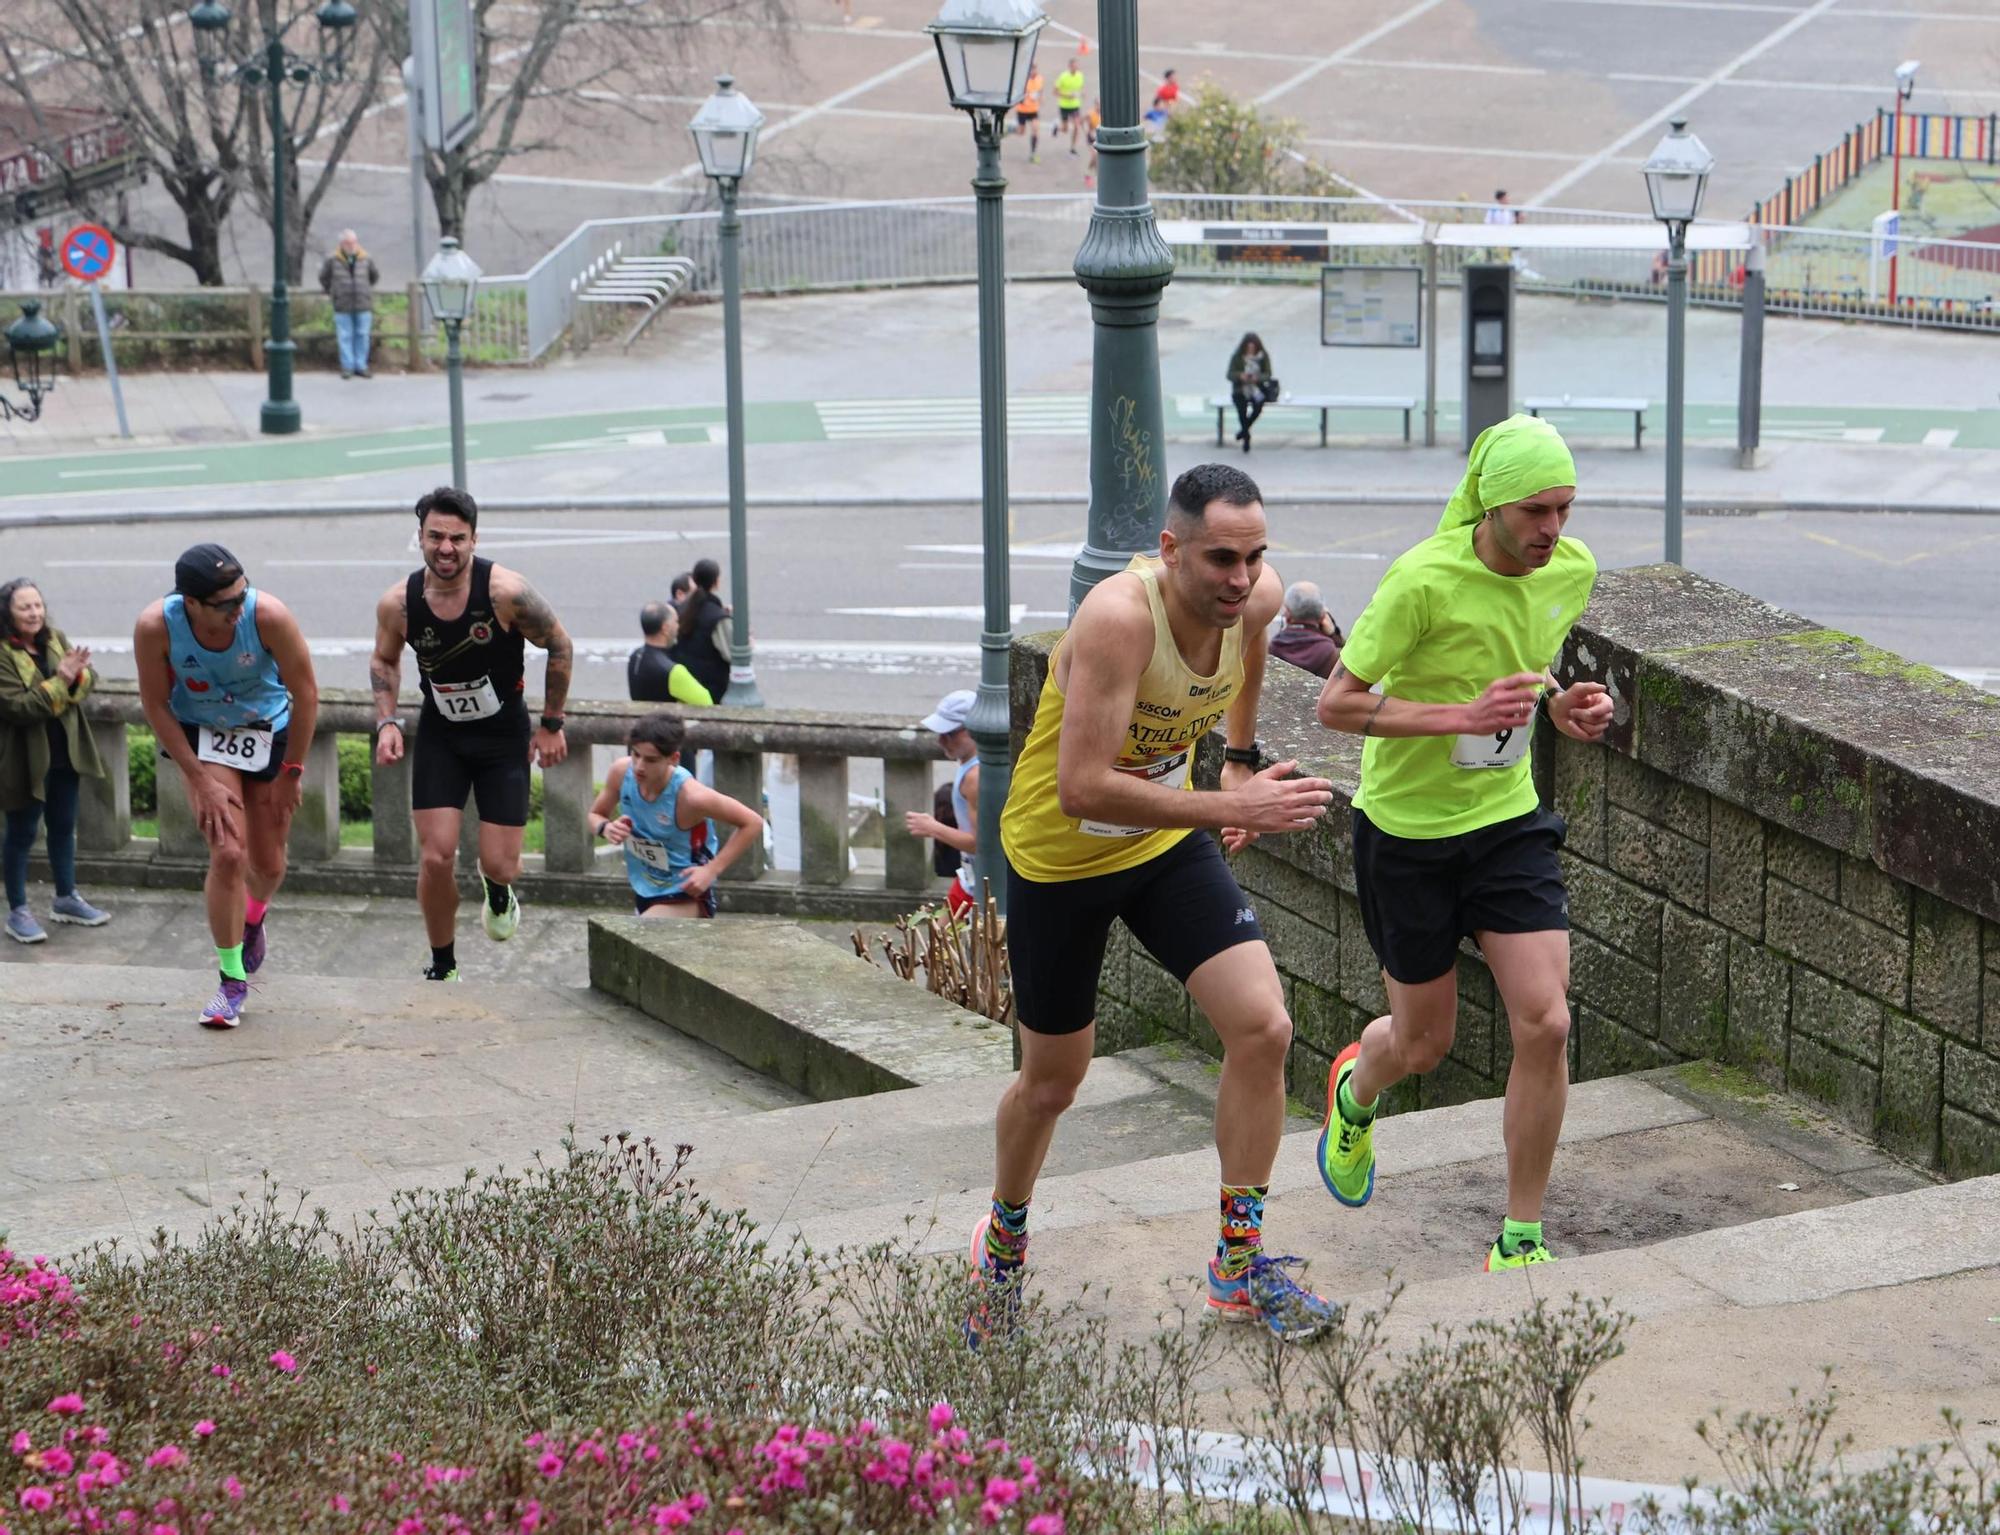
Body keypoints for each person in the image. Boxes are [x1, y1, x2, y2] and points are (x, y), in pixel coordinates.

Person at [980, 462, 1342, 1346]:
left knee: (1264, 1027)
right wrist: (1231, 806)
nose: (1242, 577)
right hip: (1060, 859)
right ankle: (1003, 1250)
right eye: (1221, 556)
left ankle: (1240, 1262)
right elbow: (1081, 787)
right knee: (1053, 1081)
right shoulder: (1116, 618)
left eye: (1255, 556)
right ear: (1170, 549)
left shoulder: (1251, 605)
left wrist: (1242, 756)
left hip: (1162, 842)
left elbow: (1248, 664)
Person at [1314, 415, 1614, 1272]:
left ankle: (1521, 1235)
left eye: (1564, 507)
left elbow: (1524, 654)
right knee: (1423, 1045)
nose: (1552, 529)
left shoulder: (1572, 571)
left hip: (1505, 823)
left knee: (1547, 1021)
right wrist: (1460, 717)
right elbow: (1337, 702)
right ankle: (1355, 1089)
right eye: (1534, 510)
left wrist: (1559, 705)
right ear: (1490, 504)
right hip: (1406, 833)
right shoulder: (1422, 580)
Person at [370, 486, 574, 981]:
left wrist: (550, 724)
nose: (446, 548)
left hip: (502, 736)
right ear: (419, 537)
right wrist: (386, 720)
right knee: (436, 856)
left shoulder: (506, 593)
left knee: (500, 864)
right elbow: (384, 659)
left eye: (457, 539)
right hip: (444, 735)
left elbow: (560, 645)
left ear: (474, 539)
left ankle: (498, 888)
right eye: (435, 536)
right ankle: (444, 964)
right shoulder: (399, 603)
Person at [134, 545, 319, 1028]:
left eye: (242, 595)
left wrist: (292, 772)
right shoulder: (157, 627)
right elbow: (155, 704)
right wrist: (197, 778)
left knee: (269, 863)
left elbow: (307, 693)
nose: (240, 609)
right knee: (229, 853)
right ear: (191, 603)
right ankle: (231, 981)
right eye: (226, 604)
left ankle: (253, 918)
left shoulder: (268, 616)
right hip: (205, 736)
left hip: (268, 730)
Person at [0, 579, 109, 944]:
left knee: (63, 826)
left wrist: (78, 674)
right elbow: (19, 707)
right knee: (22, 832)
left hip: (64, 751)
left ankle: (66, 898)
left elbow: (88, 680)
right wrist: (62, 679)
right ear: (8, 613)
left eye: (37, 605)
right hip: (23, 757)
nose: (34, 613)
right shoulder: (2, 652)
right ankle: (17, 910)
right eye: (24, 608)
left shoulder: (54, 637)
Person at [588, 712, 763, 918]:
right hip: (644, 886)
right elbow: (595, 815)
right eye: (635, 754)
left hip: (687, 892)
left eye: (651, 760)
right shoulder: (621, 772)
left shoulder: (692, 797)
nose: (639, 766)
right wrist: (605, 828)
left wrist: (712, 870)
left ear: (674, 758)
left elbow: (753, 822)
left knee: (636, 935)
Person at [901, 689, 978, 919]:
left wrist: (933, 828)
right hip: (969, 878)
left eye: (950, 733)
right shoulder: (971, 766)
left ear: (974, 729)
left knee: (941, 949)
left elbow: (982, 844)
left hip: (981, 883)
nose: (941, 740)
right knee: (938, 947)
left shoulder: (976, 777)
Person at [318, 229, 379, 380]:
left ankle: (361, 366)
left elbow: (374, 276)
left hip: (362, 302)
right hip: (342, 303)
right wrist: (333, 291)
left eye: (353, 242)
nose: (351, 245)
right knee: (345, 335)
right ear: (342, 244)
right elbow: (323, 277)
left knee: (362, 335)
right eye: (348, 242)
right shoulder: (332, 259)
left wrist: (364, 290)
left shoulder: (366, 258)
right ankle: (348, 366)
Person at [627, 602, 714, 707]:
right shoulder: (674, 671)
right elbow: (706, 702)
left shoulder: (635, 656)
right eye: (676, 622)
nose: (678, 626)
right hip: (665, 722)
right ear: (665, 628)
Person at [675, 558, 732, 704]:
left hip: (686, 686)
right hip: (711, 691)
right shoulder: (717, 618)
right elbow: (732, 654)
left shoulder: (684, 609)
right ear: (717, 582)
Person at [1270, 581, 1343, 679]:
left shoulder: (1272, 649)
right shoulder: (1332, 654)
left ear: (1287, 614)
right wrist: (1334, 635)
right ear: (1322, 616)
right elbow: (1350, 662)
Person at [1227, 333, 1274, 453]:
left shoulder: (1263, 357)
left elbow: (1268, 374)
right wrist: (1240, 376)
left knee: (1258, 407)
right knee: (1241, 409)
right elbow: (1230, 374)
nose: (1251, 350)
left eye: (1253, 348)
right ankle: (1246, 438)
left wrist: (1257, 378)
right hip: (1240, 389)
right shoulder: (1237, 357)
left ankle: (1244, 430)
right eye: (1248, 348)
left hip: (1257, 389)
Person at [1055, 58, 1087, 155]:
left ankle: (1073, 148)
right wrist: (1067, 95)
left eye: (1077, 66)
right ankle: (1056, 128)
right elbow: (1055, 91)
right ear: (1069, 66)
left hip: (1075, 106)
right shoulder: (1063, 76)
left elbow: (1081, 88)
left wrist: (1082, 93)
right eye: (1073, 66)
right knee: (1065, 129)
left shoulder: (1080, 76)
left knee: (1077, 126)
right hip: (1064, 105)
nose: (1075, 68)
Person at [1014, 65, 1045, 162]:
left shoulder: (1040, 79)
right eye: (1032, 70)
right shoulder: (1023, 81)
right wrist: (1025, 98)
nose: (1034, 72)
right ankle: (1011, 129)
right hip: (1022, 110)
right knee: (1021, 132)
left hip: (1033, 110)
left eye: (1035, 70)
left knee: (1035, 129)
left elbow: (1040, 90)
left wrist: (1040, 98)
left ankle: (1033, 153)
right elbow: (1017, 95)